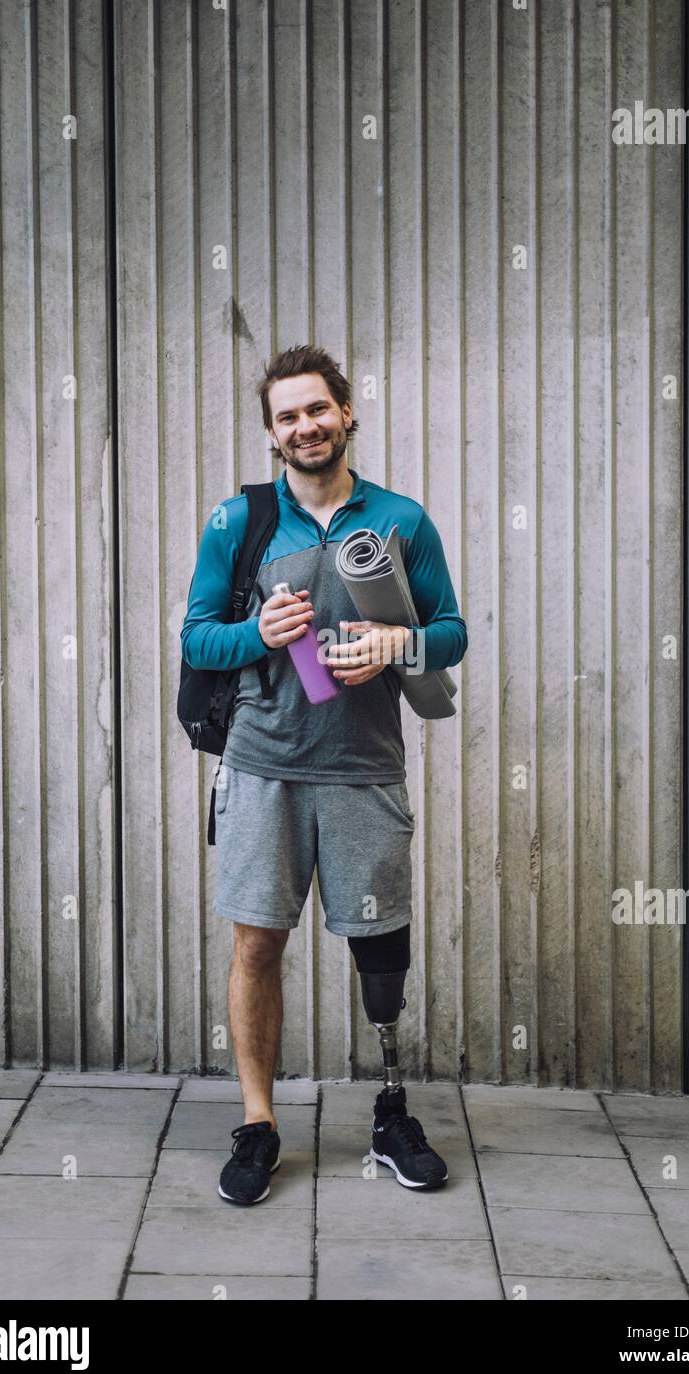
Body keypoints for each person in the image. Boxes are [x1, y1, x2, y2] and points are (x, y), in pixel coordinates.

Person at [180, 344, 468, 1204]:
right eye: (286, 416)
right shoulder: (240, 524)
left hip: (362, 769)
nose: (304, 426)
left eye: (317, 409)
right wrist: (259, 636)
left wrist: (399, 642)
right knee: (257, 943)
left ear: (347, 413)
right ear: (271, 433)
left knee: (378, 946)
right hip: (262, 767)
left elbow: (451, 632)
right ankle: (259, 1124)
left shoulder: (401, 521)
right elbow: (196, 640)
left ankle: (388, 1113)